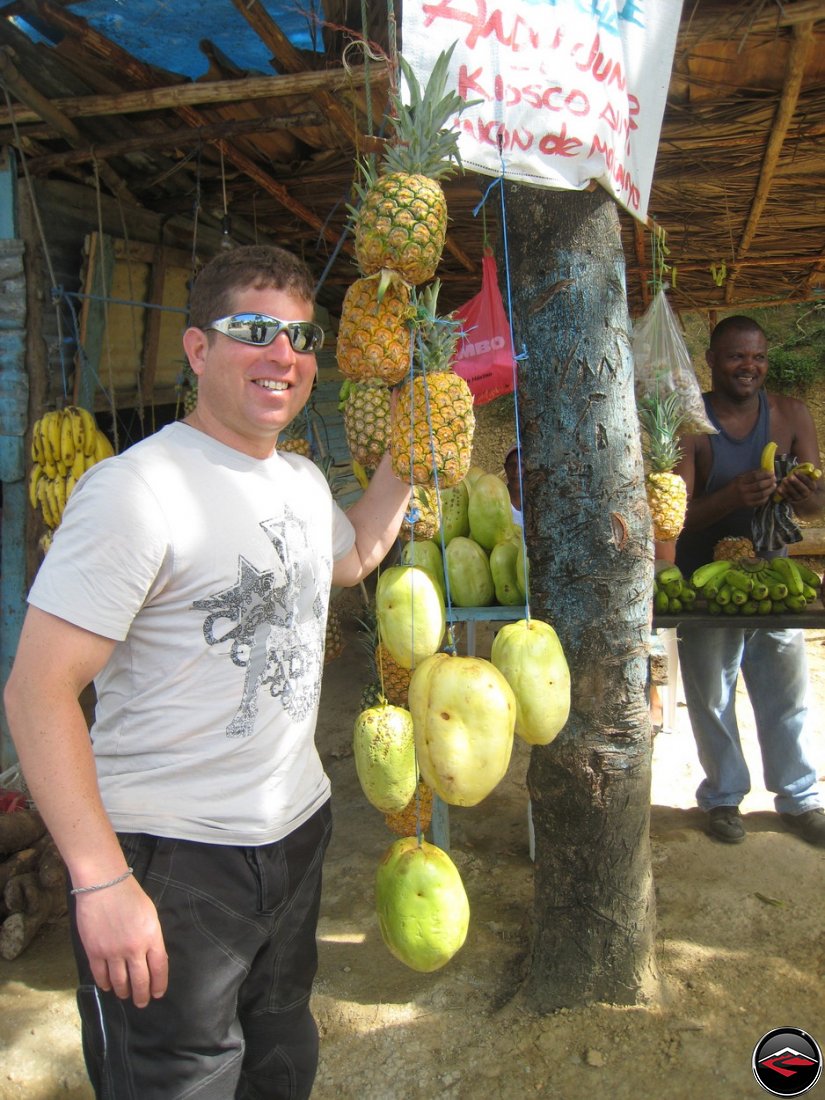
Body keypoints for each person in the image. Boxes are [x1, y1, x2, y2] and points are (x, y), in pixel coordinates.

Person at [3, 245, 412, 1098]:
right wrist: (101, 878)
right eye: (254, 330)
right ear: (198, 349)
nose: (284, 356)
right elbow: (37, 691)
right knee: (178, 1082)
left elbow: (352, 557)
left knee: (277, 1061)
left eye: (301, 338)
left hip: (294, 831)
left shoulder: (299, 480)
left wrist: (409, 456)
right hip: (170, 858)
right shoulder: (134, 491)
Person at [674, 314, 825, 847]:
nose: (749, 366)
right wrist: (730, 497)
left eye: (758, 357)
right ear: (712, 361)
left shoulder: (791, 415)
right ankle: (722, 796)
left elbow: (819, 504)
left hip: (771, 580)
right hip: (707, 587)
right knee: (712, 696)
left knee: (785, 694)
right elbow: (675, 515)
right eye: (737, 356)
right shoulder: (692, 426)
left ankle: (800, 798)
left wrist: (808, 499)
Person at [504, 444, 523, 525]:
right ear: (505, 468)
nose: (516, 471)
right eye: (512, 465)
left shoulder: (537, 503)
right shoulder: (498, 501)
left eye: (522, 465)